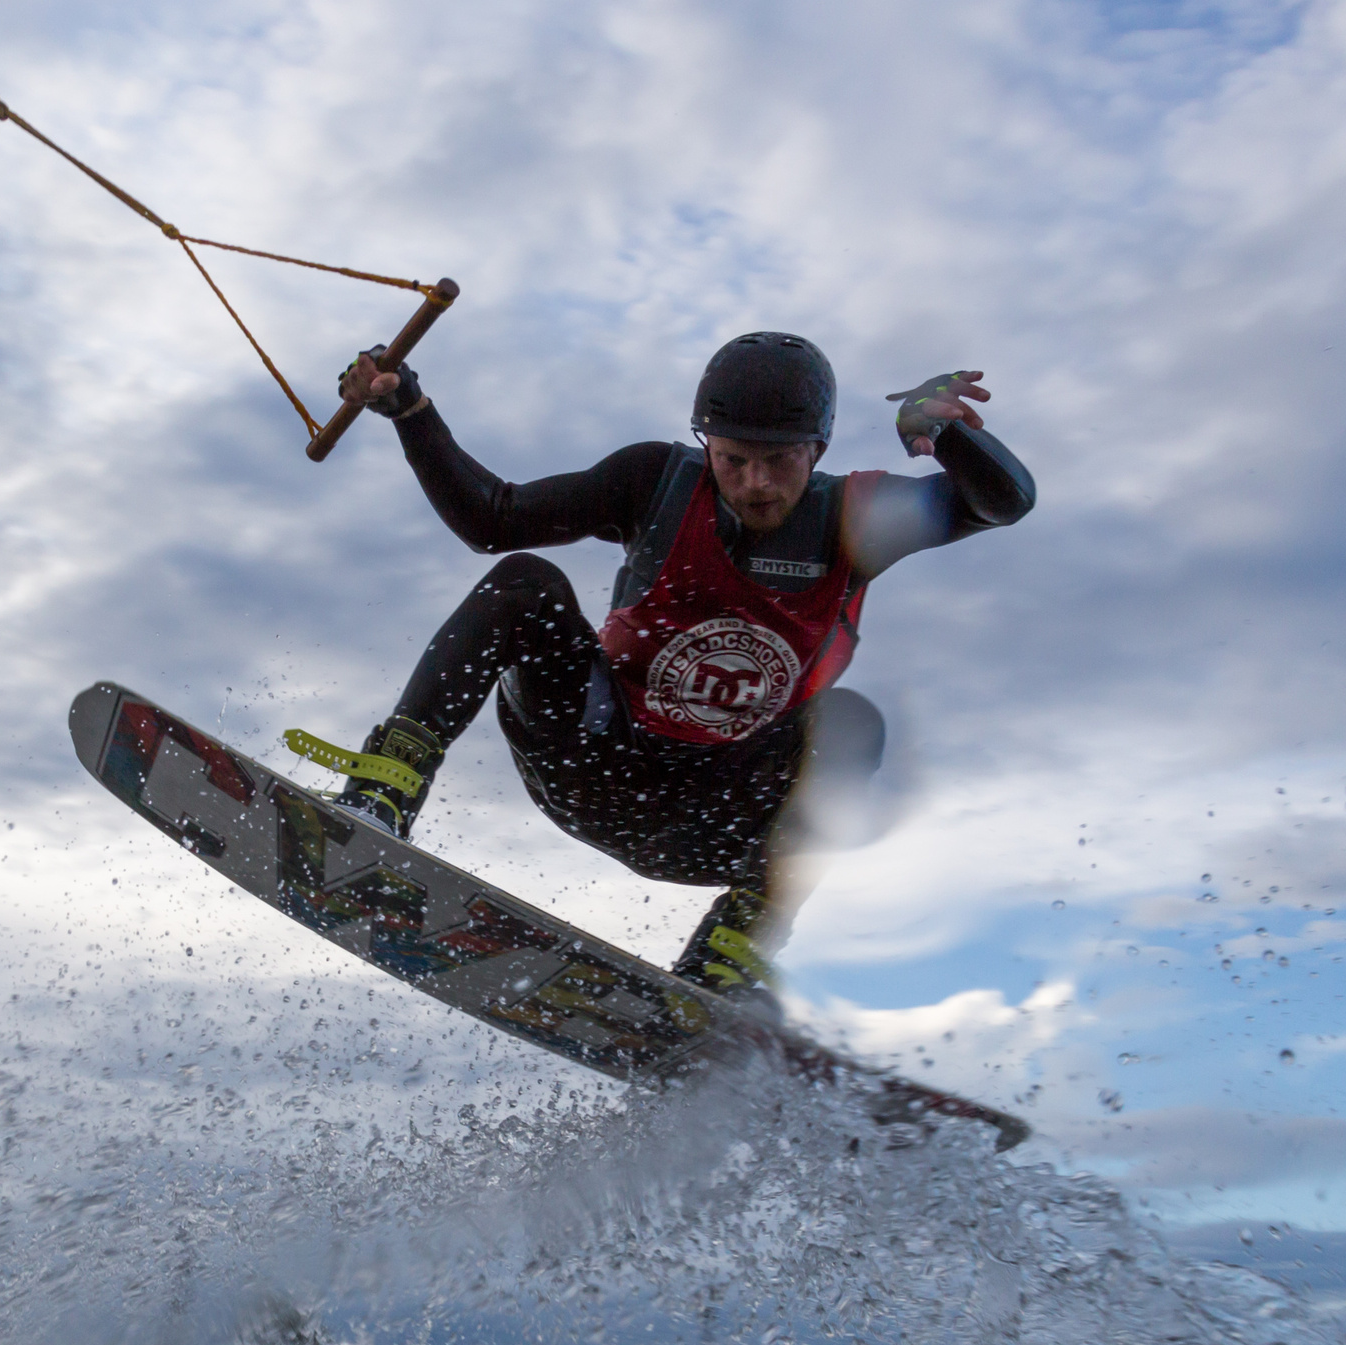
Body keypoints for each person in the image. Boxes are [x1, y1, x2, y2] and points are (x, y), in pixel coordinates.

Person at [304, 332, 1035, 1002]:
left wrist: (935, 431)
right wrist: (410, 410)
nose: (754, 483)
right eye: (732, 458)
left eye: (778, 459)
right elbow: (492, 519)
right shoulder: (655, 482)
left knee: (854, 724)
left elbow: (1004, 502)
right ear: (706, 444)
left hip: (720, 814)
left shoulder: (860, 517)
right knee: (525, 583)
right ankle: (380, 798)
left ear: (816, 449)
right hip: (595, 755)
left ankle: (729, 954)